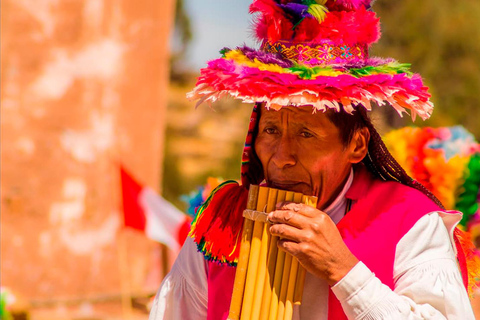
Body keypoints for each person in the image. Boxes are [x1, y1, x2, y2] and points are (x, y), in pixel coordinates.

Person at [150, 0, 477, 319]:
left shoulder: (411, 223)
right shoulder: (220, 229)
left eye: (306, 134)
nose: (281, 158)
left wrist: (343, 270)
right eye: (271, 130)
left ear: (357, 146)